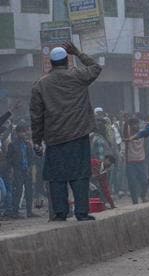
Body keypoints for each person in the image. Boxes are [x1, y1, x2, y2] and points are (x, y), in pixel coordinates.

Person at [30, 42, 102, 221]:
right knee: (80, 175)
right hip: (78, 135)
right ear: (67, 60)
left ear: (51, 63)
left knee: (56, 178)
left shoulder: (40, 85)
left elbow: (36, 116)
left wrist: (37, 140)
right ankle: (81, 212)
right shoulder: (78, 76)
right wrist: (77, 52)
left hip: (54, 139)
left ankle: (60, 213)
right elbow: (96, 67)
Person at [7, 123, 37, 218]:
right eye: (21, 132)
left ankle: (29, 211)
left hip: (27, 170)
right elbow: (9, 159)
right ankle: (15, 212)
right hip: (17, 170)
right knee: (18, 191)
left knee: (29, 191)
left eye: (24, 132)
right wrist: (11, 170)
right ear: (17, 133)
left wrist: (31, 168)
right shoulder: (12, 145)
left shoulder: (28, 144)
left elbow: (31, 157)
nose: (23, 134)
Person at [122, 118, 147, 204]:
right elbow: (125, 129)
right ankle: (135, 201)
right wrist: (126, 121)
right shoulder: (127, 134)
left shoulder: (142, 134)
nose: (135, 126)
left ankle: (143, 196)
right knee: (132, 183)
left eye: (137, 124)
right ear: (130, 126)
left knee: (144, 181)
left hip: (141, 161)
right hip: (131, 162)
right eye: (133, 124)